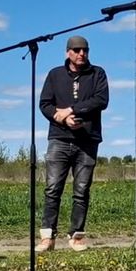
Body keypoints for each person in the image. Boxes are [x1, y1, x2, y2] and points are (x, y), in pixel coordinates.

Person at [37, 35, 109, 252]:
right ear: (68, 52)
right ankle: (47, 237)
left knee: (81, 190)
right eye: (77, 50)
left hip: (87, 140)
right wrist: (62, 118)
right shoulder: (55, 75)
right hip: (59, 139)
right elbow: (45, 104)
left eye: (85, 50)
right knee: (52, 189)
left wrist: (72, 110)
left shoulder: (97, 73)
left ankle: (76, 237)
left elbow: (101, 100)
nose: (81, 54)